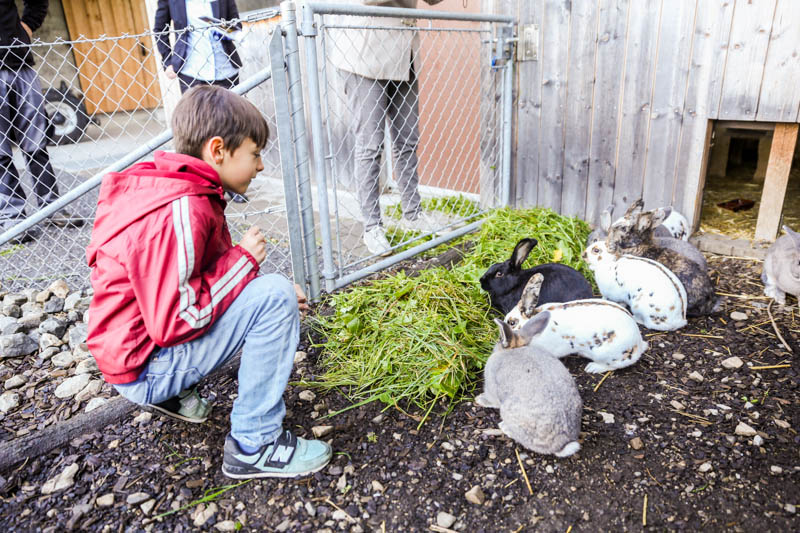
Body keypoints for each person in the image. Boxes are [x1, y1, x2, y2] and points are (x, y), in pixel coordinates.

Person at [85, 86, 332, 479]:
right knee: (274, 295)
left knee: (273, 296)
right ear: (218, 150)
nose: (261, 166)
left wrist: (259, 292)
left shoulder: (177, 187)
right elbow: (178, 320)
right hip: (146, 368)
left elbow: (197, 278)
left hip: (130, 353)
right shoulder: (182, 209)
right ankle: (256, 443)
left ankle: (177, 395)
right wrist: (250, 266)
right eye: (254, 153)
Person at [328, 0, 443, 255]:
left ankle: (413, 214)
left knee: (408, 140)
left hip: (405, 52)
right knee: (370, 144)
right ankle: (372, 227)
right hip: (367, 51)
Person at [0, 0, 83, 244]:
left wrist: (26, 25)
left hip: (19, 65)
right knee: (1, 151)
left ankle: (51, 208)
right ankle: (13, 217)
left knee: (36, 142)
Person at [154, 0, 248, 203]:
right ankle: (205, 185)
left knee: (231, 126)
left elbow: (236, 25)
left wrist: (223, 28)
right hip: (191, 70)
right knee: (200, 129)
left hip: (224, 67)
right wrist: (168, 60)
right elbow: (159, 28)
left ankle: (231, 183)